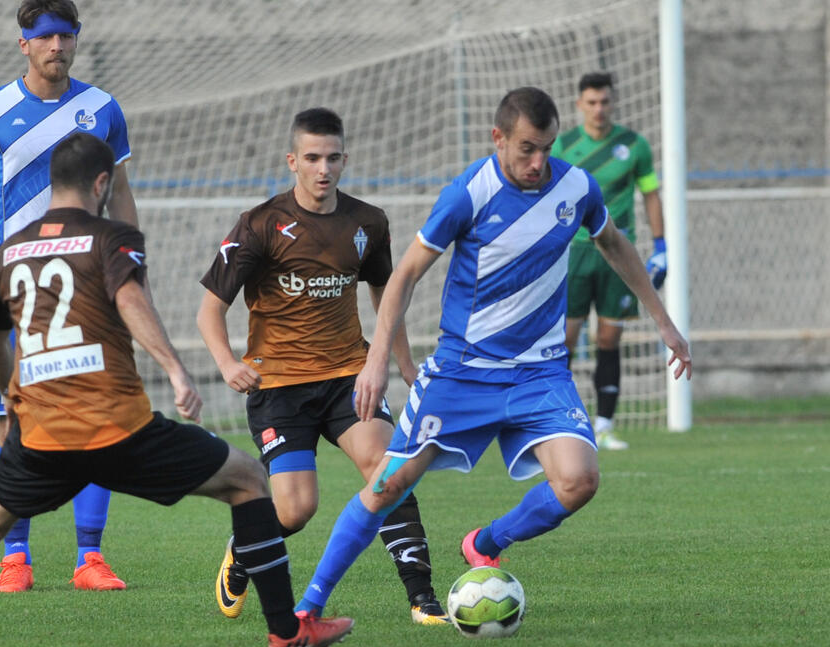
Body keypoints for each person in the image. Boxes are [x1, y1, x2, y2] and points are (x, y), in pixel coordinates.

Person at [0, 133, 354, 647]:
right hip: (121, 430)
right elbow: (130, 298)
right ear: (102, 183)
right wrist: (176, 370)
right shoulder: (112, 236)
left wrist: (14, 396)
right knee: (249, 481)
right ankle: (284, 634)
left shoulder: (10, 248)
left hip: (42, 435)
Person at [291, 87, 692, 618]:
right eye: (527, 148)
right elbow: (404, 274)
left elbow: (614, 242)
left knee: (579, 481)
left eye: (547, 148)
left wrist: (664, 321)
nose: (538, 162)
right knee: (387, 484)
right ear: (498, 138)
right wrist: (376, 360)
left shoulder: (576, 186)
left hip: (539, 374)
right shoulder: (468, 194)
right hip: (463, 373)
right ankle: (308, 609)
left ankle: (486, 542)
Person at [197, 107, 449, 625]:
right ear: (293, 160)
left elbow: (387, 294)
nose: (323, 169)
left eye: (333, 158)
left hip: (347, 379)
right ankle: (244, 548)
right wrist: (226, 363)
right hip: (280, 389)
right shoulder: (260, 224)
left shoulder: (367, 222)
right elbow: (209, 309)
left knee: (390, 472)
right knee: (295, 510)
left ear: (345, 160)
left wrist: (402, 363)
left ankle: (422, 598)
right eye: (312, 158)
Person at [0, 0, 138, 592]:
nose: (57, 47)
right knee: (11, 422)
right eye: (46, 38)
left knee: (96, 418)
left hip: (86, 287)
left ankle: (89, 559)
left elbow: (120, 189)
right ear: (24, 43)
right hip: (12, 289)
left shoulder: (101, 109)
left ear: (76, 40)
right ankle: (14, 559)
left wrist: (131, 261)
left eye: (66, 37)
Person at [551, 71, 668, 451]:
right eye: (592, 102)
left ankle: (604, 425)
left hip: (618, 251)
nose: (599, 109)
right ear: (579, 105)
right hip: (575, 251)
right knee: (565, 339)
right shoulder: (564, 145)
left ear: (612, 102)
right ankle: (559, 421)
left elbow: (650, 195)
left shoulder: (633, 145)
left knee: (609, 337)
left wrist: (661, 246)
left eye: (605, 101)